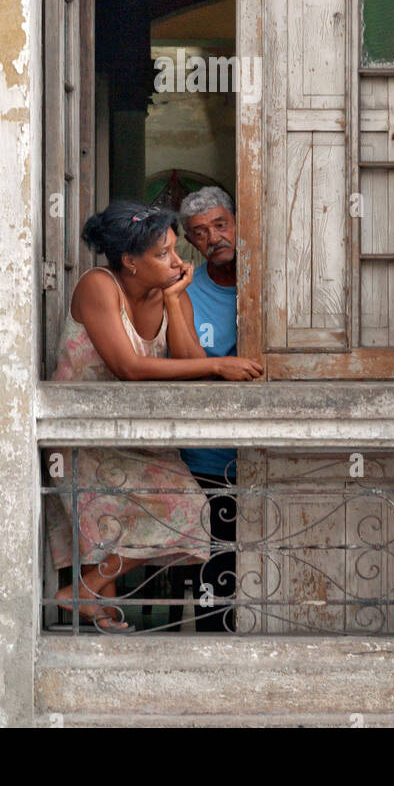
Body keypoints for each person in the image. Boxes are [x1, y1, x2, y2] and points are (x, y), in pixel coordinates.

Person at [45, 201, 261, 631]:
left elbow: (186, 361)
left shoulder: (167, 292)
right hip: (84, 436)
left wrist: (177, 299)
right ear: (130, 261)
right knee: (144, 520)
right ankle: (87, 597)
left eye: (175, 250)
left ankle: (88, 596)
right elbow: (130, 368)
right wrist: (218, 366)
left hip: (138, 437)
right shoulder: (97, 285)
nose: (179, 262)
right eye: (163, 254)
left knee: (187, 515)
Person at [168, 186, 240, 632]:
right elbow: (185, 365)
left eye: (220, 225)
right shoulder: (189, 292)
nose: (213, 237)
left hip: (270, 452)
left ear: (237, 222)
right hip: (207, 459)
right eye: (200, 232)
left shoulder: (273, 285)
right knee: (215, 575)